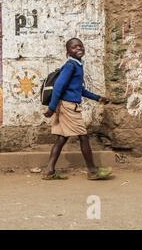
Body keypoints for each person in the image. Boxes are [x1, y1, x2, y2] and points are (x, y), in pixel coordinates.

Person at [42, 37, 112, 180]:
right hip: (68, 107)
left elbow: (79, 90)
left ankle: (49, 171)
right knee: (83, 136)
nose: (78, 49)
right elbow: (58, 87)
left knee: (62, 138)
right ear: (68, 52)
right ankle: (92, 171)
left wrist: (98, 98)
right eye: (74, 47)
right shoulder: (70, 65)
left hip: (65, 106)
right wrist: (51, 108)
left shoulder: (77, 64)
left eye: (80, 46)